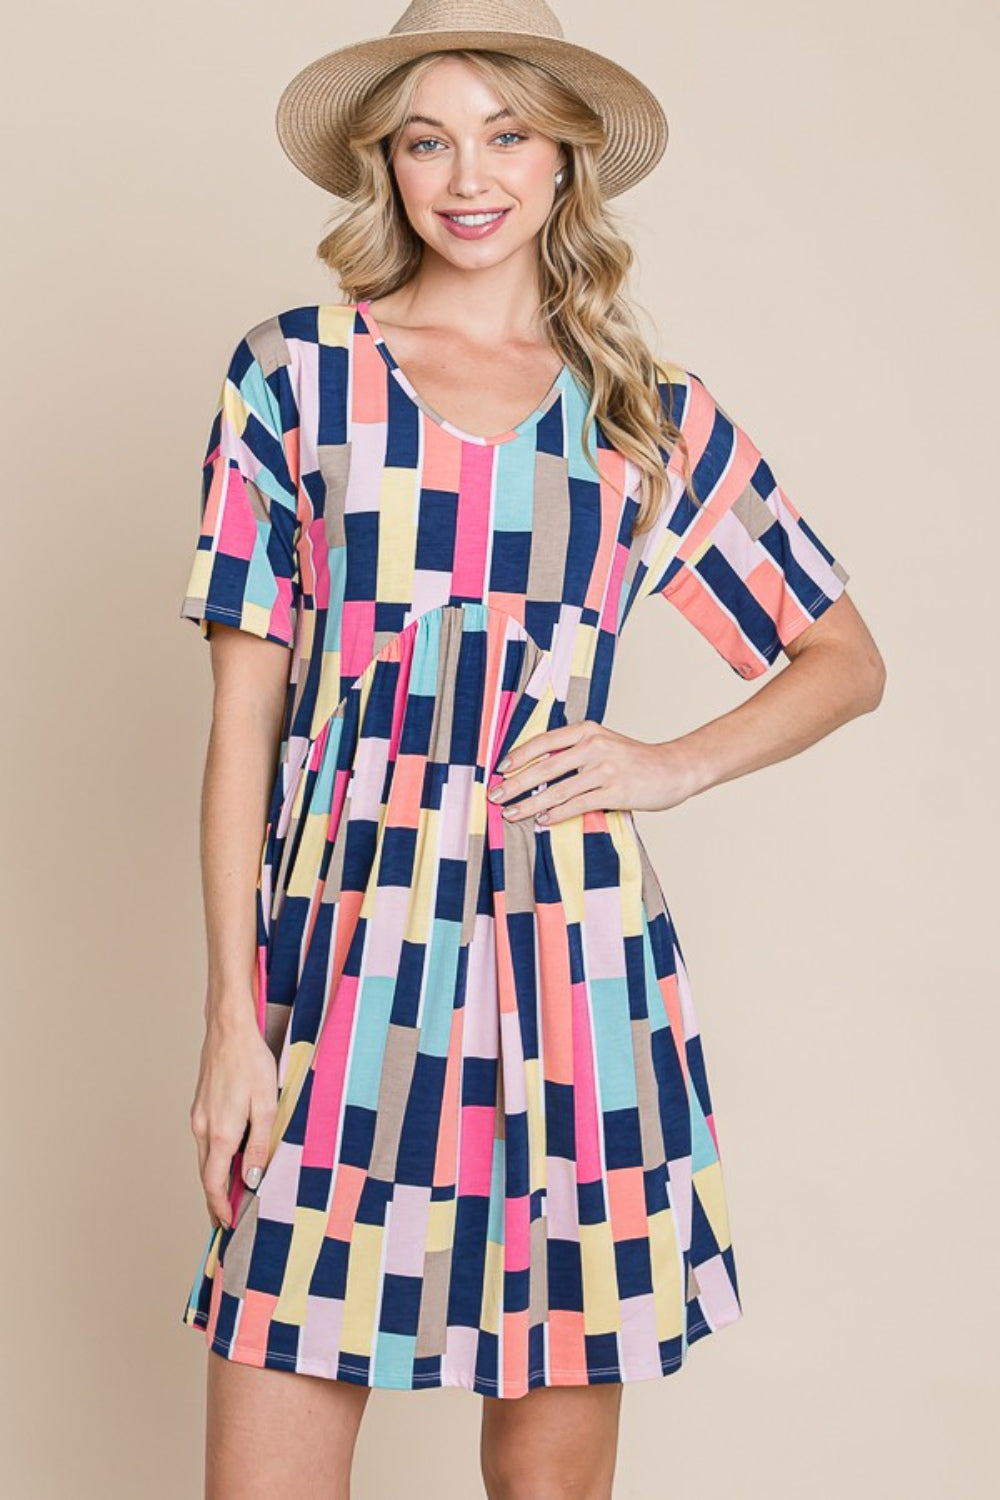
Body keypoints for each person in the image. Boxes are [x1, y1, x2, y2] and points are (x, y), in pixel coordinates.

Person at [177, 2, 886, 1496]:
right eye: (429, 139)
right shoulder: (293, 378)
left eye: (507, 135)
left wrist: (668, 763)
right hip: (345, 958)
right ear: (387, 166)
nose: (468, 174)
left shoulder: (642, 414)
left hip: (571, 967)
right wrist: (235, 1021)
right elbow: (244, 713)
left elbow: (844, 659)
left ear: (569, 164)